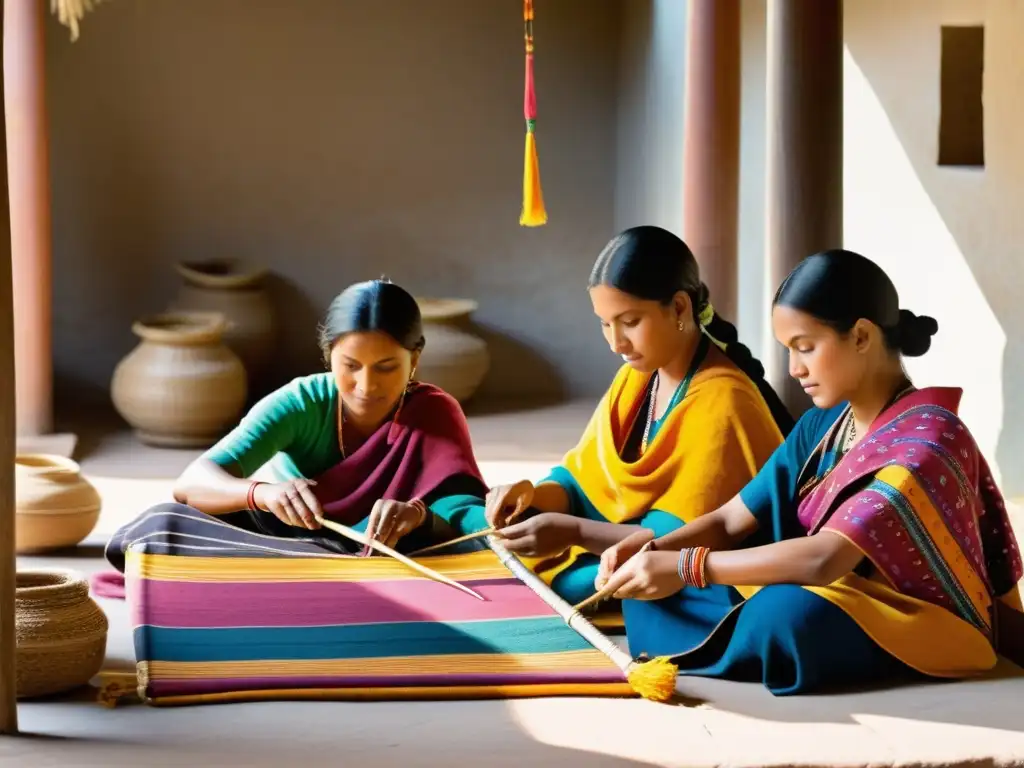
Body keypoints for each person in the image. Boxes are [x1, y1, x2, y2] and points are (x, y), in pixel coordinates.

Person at [595, 249, 1024, 695]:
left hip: (909, 620)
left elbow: (825, 559)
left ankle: (743, 635)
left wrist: (685, 567)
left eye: (805, 348)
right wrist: (654, 552)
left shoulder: (926, 439)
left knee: (788, 614)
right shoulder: (825, 422)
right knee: (654, 593)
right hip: (824, 588)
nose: (794, 369)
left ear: (861, 336)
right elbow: (731, 519)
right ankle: (738, 635)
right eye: (788, 351)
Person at [477, 226, 796, 606]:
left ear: (679, 308)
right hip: (621, 542)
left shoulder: (725, 399)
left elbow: (674, 539)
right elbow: (582, 481)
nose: (616, 342)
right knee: (505, 527)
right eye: (604, 324)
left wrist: (574, 532)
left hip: (683, 565)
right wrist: (532, 494)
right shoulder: (636, 377)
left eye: (630, 322)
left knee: (584, 580)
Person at [103, 279, 489, 573]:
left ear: (415, 360)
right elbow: (192, 484)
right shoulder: (302, 402)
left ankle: (302, 581)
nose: (366, 386)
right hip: (286, 538)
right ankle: (318, 577)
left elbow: (464, 512)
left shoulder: (434, 412)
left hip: (384, 547)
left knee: (463, 546)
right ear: (328, 357)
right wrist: (262, 495)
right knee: (160, 524)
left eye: (386, 368)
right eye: (350, 366)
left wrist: (418, 515)